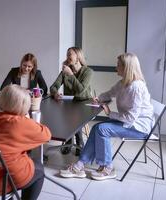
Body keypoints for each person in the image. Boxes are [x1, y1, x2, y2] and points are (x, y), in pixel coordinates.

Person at [59, 53, 155, 181]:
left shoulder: (136, 87)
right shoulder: (123, 83)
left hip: (138, 127)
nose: (116, 68)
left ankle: (108, 168)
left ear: (126, 68)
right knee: (96, 128)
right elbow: (110, 93)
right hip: (129, 122)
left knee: (102, 129)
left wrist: (110, 113)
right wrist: (99, 98)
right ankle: (80, 165)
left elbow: (130, 118)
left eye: (118, 65)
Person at [50, 47, 93, 155]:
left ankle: (75, 142)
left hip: (84, 103)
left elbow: (81, 90)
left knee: (74, 116)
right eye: (67, 54)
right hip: (70, 103)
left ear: (78, 57)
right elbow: (53, 87)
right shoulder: (65, 71)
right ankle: (76, 143)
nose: (68, 57)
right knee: (70, 114)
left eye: (70, 54)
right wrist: (55, 93)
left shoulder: (88, 71)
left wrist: (71, 74)